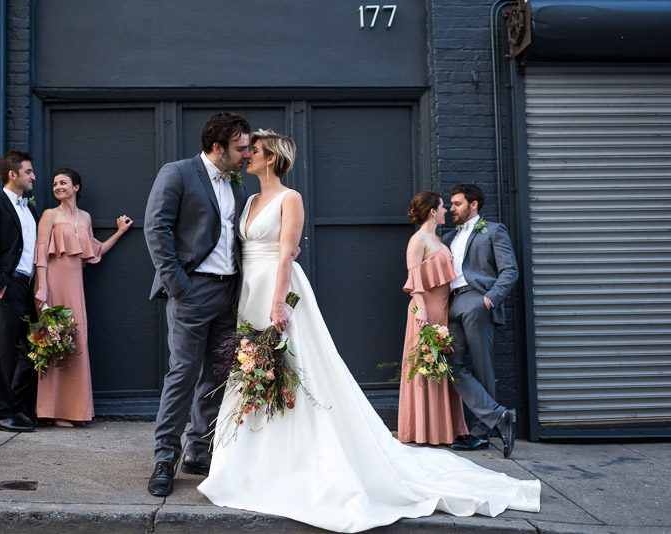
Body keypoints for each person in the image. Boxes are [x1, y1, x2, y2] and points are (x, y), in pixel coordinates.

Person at [198, 131, 540, 533]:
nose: (246, 156)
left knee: (292, 367)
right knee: (254, 369)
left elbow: (288, 252)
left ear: (271, 158)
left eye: (252, 151)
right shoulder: (251, 200)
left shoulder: (291, 199)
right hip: (249, 293)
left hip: (279, 290)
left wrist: (276, 303)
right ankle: (249, 458)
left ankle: (299, 458)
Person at [143, 112, 251, 496]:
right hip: (192, 291)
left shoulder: (237, 185)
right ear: (217, 147)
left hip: (228, 294)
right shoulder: (178, 173)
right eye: (240, 148)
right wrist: (179, 286)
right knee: (183, 373)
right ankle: (164, 459)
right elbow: (156, 227)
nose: (247, 154)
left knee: (217, 376)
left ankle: (199, 452)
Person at [33, 168, 132, 427]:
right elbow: (41, 253)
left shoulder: (85, 217)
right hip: (53, 283)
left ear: (76, 187)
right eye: (54, 183)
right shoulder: (49, 215)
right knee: (54, 342)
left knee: (76, 342)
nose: (58, 187)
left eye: (63, 183)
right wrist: (42, 288)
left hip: (75, 285)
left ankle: (76, 411)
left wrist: (120, 232)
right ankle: (53, 412)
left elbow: (95, 251)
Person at [443, 183, 519, 458]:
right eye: (450, 204)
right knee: (450, 366)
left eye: (457, 203)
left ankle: (479, 434)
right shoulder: (449, 236)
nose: (452, 208)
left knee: (483, 367)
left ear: (473, 205)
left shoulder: (493, 230)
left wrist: (489, 299)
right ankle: (500, 417)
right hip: (453, 303)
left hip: (478, 301)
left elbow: (510, 270)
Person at [0, 150, 39, 433]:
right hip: (9, 285)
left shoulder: (29, 208)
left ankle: (17, 408)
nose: (33, 176)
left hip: (27, 286)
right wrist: (1, 286)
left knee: (31, 351)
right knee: (5, 352)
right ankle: (0, 413)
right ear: (12, 175)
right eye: (28, 171)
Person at [397, 191, 468, 445]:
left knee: (440, 367)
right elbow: (414, 276)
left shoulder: (437, 239)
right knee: (426, 367)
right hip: (424, 312)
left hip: (443, 311)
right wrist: (422, 310)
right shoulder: (418, 240)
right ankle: (423, 430)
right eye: (442, 207)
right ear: (432, 211)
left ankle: (443, 429)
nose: (446, 211)